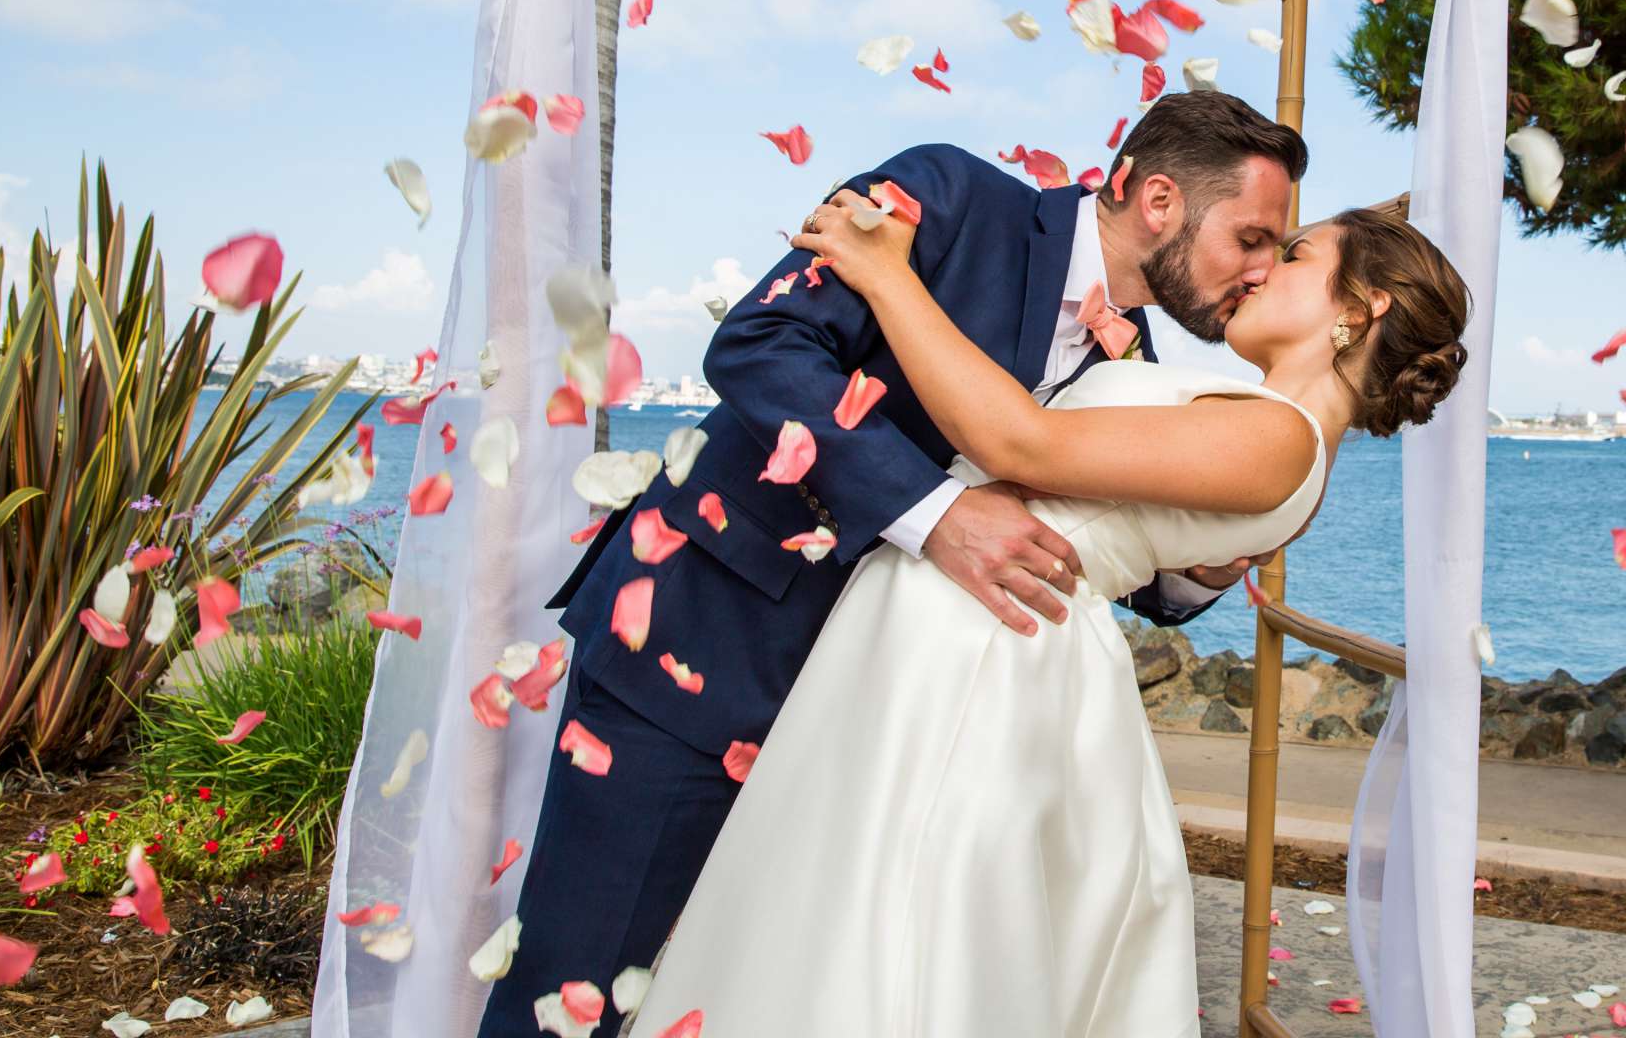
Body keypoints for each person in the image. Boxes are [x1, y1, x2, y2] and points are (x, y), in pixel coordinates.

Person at [483, 93, 1312, 1038]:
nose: (1259, 270)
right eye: (1250, 237)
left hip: (876, 731)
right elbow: (760, 344)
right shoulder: (947, 197)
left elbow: (1091, 543)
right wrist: (937, 513)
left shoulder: (1145, 363)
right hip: (705, 658)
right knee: (569, 995)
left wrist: (1199, 566)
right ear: (1160, 201)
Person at [620, 193, 1469, 1037]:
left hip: (977, 644)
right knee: (855, 904)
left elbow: (1020, 445)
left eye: (1293, 255)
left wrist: (886, 277)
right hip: (957, 619)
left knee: (889, 916)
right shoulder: (1264, 423)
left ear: (1361, 308)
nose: (1259, 269)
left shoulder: (1282, 438)